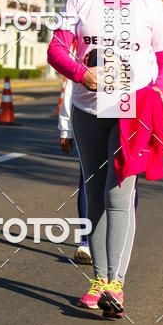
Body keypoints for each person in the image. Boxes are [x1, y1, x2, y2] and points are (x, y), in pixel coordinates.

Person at [47, 0, 163, 319]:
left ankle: (116, 285)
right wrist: (81, 73)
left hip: (132, 112)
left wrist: (157, 91)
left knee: (118, 194)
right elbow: (56, 50)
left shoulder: (151, 6)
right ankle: (99, 280)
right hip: (87, 109)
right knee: (94, 194)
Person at [58, 78, 92, 265]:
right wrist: (66, 128)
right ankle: (87, 242)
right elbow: (72, 83)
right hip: (89, 117)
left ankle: (117, 242)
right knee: (88, 180)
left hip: (128, 117)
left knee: (122, 186)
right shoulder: (84, 47)